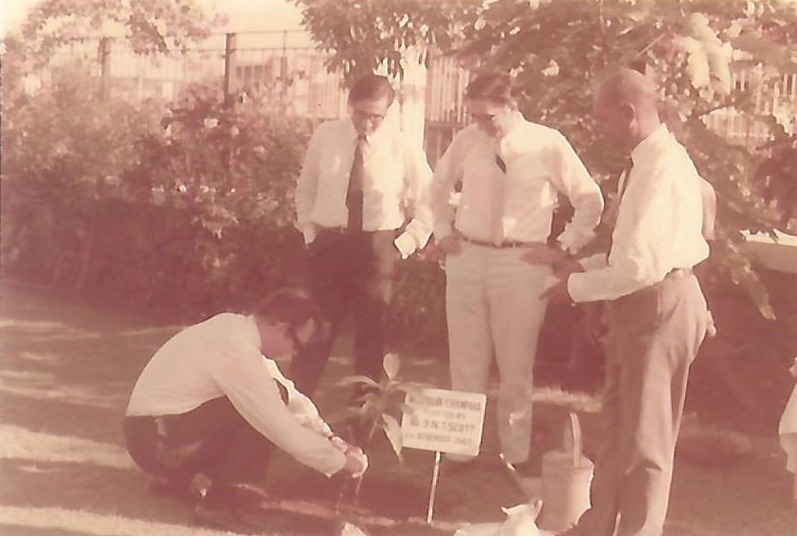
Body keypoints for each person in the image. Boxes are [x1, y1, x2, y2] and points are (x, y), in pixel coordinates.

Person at [540, 69, 711, 536]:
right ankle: (598, 525)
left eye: (602, 117)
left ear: (629, 113)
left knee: (646, 439)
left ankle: (639, 531)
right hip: (643, 300)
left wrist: (575, 290)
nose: (599, 127)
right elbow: (631, 253)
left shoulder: (662, 168)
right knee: (616, 427)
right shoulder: (644, 163)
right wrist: (586, 268)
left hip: (658, 305)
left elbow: (641, 269)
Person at [429, 73, 604, 472]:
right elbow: (436, 187)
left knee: (515, 365)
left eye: (489, 117)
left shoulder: (547, 142)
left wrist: (563, 247)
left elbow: (589, 199)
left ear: (512, 107)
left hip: (521, 263)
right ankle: (461, 450)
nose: (481, 125)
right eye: (474, 116)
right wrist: (443, 232)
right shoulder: (468, 140)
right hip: (468, 258)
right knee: (466, 361)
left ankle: (515, 454)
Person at [124, 288, 368, 529]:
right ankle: (220, 505)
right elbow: (280, 426)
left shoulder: (234, 329)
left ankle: (171, 480)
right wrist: (341, 463)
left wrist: (330, 436)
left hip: (151, 432)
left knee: (273, 394)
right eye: (297, 345)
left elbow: (289, 392)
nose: (294, 353)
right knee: (256, 410)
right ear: (282, 328)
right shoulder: (238, 353)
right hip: (157, 441)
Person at [292, 73, 433, 401]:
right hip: (329, 246)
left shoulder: (402, 145)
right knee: (315, 332)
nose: (367, 124)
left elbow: (431, 199)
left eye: (376, 117)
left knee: (371, 338)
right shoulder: (327, 135)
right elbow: (306, 188)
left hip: (377, 249)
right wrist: (310, 233)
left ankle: (361, 424)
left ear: (389, 112)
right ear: (349, 105)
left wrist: (406, 243)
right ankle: (293, 413)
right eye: (360, 114)